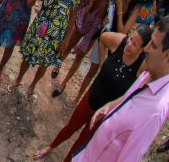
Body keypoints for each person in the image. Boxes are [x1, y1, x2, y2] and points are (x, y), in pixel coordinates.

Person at [33, 25, 151, 160]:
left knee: (82, 142)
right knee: (70, 127)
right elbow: (103, 37)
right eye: (130, 38)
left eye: (134, 44)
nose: (129, 44)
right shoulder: (120, 42)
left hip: (103, 114)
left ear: (142, 49)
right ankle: (51, 147)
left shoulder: (142, 66)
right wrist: (102, 63)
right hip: (90, 99)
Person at [71, 18, 169, 162]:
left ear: (167, 55)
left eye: (153, 45)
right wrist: (109, 106)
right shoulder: (148, 74)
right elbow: (127, 99)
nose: (146, 49)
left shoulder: (155, 111)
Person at [11, 0, 81, 100]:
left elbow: (73, 18)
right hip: (39, 26)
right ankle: (18, 79)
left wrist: (65, 41)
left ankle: (33, 85)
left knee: (44, 62)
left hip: (55, 34)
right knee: (28, 55)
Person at [52, 0, 109, 98]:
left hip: (92, 32)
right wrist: (89, 5)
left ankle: (63, 83)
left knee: (79, 56)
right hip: (80, 24)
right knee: (68, 46)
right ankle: (58, 65)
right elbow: (77, 16)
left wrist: (82, 45)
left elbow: (94, 28)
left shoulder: (104, 5)